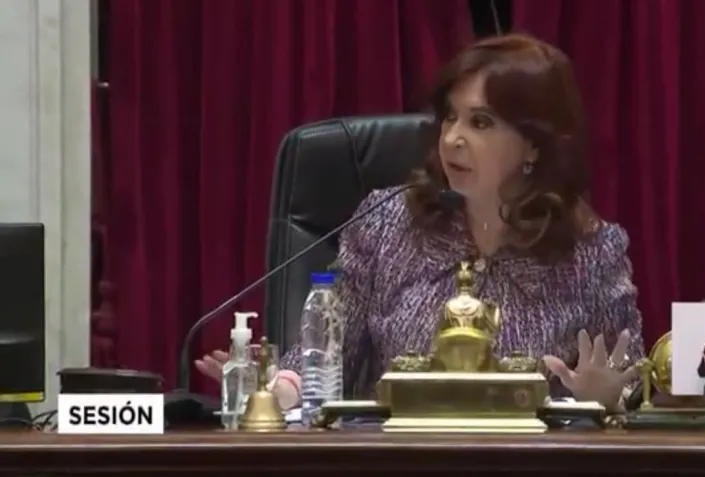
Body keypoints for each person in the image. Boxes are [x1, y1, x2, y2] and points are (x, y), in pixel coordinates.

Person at [196, 33, 647, 412]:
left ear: (534, 144)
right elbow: (329, 353)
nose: (452, 138)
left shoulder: (590, 252)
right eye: (450, 117)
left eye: (480, 122)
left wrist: (608, 399)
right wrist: (276, 390)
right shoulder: (387, 223)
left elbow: (630, 384)